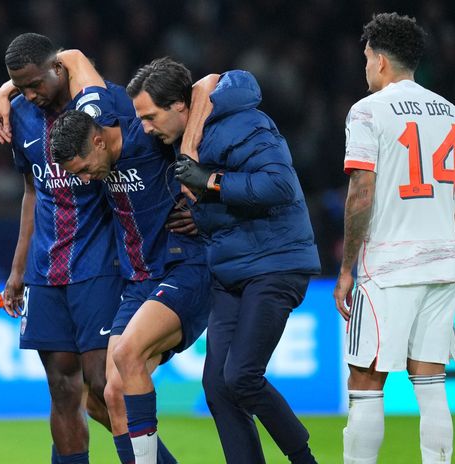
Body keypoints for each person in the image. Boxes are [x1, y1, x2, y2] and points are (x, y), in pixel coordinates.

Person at [128, 58, 321, 464]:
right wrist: (200, 215)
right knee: (217, 386)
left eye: (150, 117)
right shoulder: (187, 139)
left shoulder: (242, 123)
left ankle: (305, 460)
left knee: (241, 377)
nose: (146, 128)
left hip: (275, 262)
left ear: (181, 107)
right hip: (231, 267)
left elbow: (280, 185)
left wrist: (211, 183)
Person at [49, 50, 210, 464]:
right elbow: (67, 56)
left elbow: (207, 84)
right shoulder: (91, 112)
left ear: (99, 140)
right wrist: (5, 91)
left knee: (123, 356)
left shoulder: (147, 137)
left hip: (182, 269)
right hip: (139, 282)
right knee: (110, 393)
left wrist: (189, 152)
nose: (84, 180)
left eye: (84, 167)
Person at [332, 13, 455, 464]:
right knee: (431, 381)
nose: (365, 67)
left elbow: (361, 192)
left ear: (379, 60)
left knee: (366, 381)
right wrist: (438, 251)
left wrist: (346, 269)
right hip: (441, 263)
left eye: (366, 58)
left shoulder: (368, 110)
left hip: (388, 267)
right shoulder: (453, 113)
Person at [0, 33, 134, 464]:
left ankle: (153, 459)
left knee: (102, 384)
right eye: (20, 87)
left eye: (35, 84)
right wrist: (17, 272)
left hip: (100, 261)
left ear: (58, 70)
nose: (30, 95)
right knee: (61, 385)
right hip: (46, 270)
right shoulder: (18, 115)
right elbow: (32, 193)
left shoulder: (93, 105)